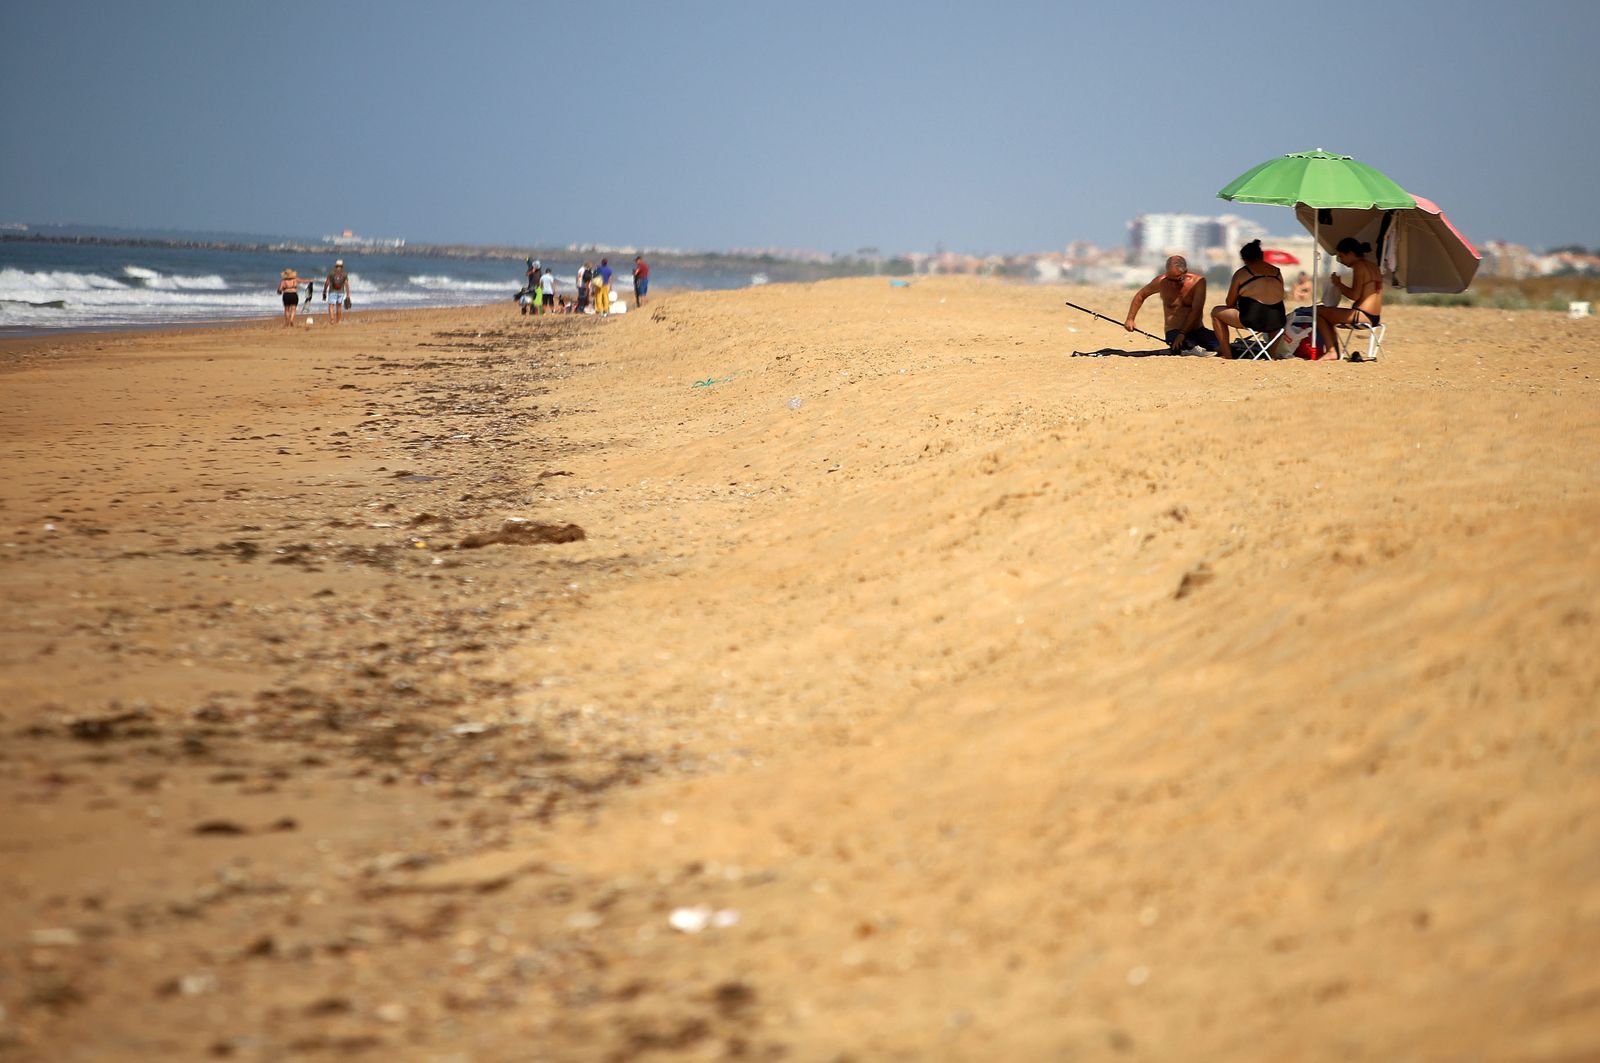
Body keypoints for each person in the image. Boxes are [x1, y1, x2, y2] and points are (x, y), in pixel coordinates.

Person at [1210, 239, 1286, 359]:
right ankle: (1271, 355)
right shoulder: (1277, 272)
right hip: (1277, 320)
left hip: (1251, 320)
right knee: (1272, 313)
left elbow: (1229, 302)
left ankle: (1227, 354)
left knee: (1216, 312)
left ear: (1244, 259)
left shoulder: (1242, 273)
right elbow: (1282, 295)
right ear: (1261, 256)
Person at [1124, 255, 1215, 353]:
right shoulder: (1161, 282)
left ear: (1185, 272)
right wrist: (1130, 319)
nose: (1173, 283)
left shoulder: (1198, 283)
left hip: (1197, 329)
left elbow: (1196, 310)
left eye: (1178, 279)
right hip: (1174, 331)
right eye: (1170, 279)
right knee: (1188, 347)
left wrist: (1183, 333)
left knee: (1223, 347)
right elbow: (1141, 295)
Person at [1316, 237, 1383, 361]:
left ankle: (1332, 351)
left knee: (1318, 312)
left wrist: (1338, 284)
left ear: (1351, 254)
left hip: (1362, 315)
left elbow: (1354, 295)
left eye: (1341, 256)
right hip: (1375, 316)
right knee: (1327, 314)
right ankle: (1333, 351)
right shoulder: (1373, 266)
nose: (1341, 261)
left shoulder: (1359, 266)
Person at [325, 260, 350, 324]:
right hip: (341, 292)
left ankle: (332, 320)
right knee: (339, 306)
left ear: (336, 266)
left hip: (332, 291)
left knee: (331, 305)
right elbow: (346, 284)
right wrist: (348, 295)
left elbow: (327, 282)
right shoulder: (344, 274)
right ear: (342, 266)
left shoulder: (331, 273)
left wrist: (324, 290)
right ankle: (338, 321)